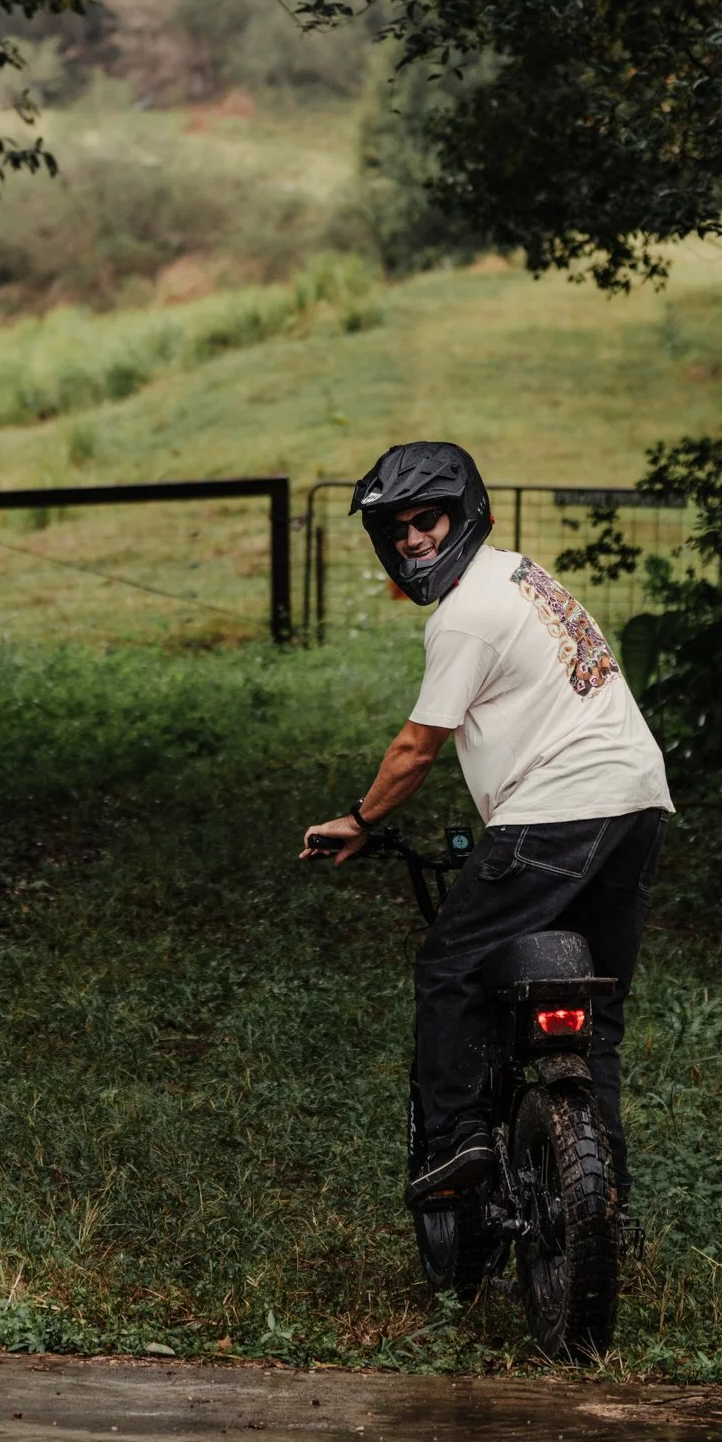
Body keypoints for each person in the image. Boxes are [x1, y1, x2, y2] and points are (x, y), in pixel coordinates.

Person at [299, 441, 671, 1213]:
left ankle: (456, 1139)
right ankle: (602, 1203)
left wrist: (362, 820)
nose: (412, 540)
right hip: (636, 802)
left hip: (558, 812)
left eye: (426, 520)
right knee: (592, 1019)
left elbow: (415, 749)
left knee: (449, 966)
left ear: (460, 513)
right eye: (397, 530)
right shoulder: (522, 573)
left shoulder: (466, 616)